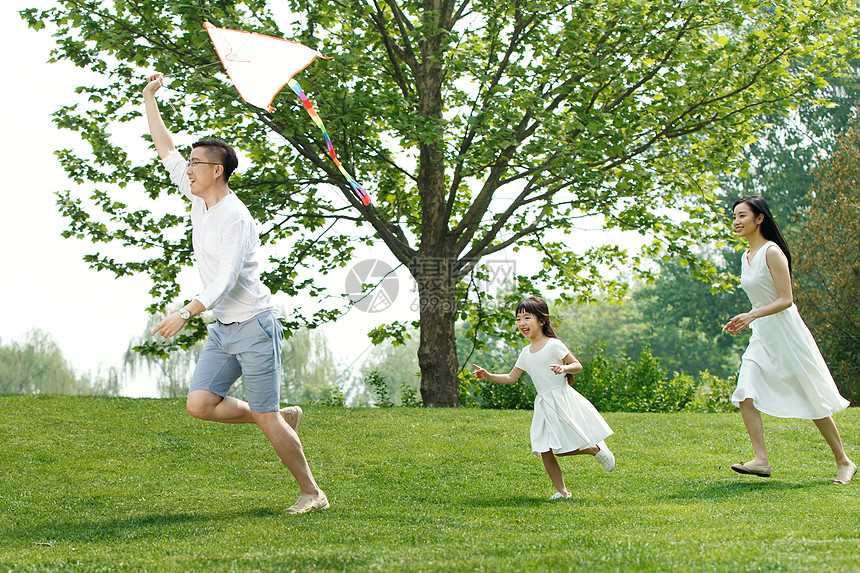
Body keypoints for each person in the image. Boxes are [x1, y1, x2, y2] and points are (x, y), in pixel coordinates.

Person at [142, 72, 329, 513]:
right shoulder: (197, 197)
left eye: (195, 164)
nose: (186, 169)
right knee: (200, 403)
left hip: (254, 326)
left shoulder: (236, 218)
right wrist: (150, 97)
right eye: (187, 164)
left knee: (264, 417)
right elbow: (164, 146)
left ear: (216, 170)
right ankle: (282, 418)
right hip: (224, 328)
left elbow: (225, 280)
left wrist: (186, 312)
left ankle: (311, 492)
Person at [723, 195, 855, 484]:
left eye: (742, 215)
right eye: (734, 216)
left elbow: (786, 299)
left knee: (812, 398)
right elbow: (760, 299)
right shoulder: (745, 257)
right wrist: (746, 318)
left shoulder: (772, 252)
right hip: (762, 336)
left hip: (787, 333)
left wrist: (752, 315)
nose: (736, 221)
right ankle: (761, 460)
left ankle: (844, 462)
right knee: (745, 392)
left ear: (760, 219)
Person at [473, 296, 615, 501]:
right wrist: (489, 376)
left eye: (527, 317)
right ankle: (562, 492)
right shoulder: (525, 352)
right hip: (543, 405)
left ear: (541, 321)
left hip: (561, 399)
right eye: (518, 319)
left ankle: (595, 449)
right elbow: (512, 378)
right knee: (544, 449)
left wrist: (564, 368)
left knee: (562, 449)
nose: (522, 323)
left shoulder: (553, 345)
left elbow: (577, 366)